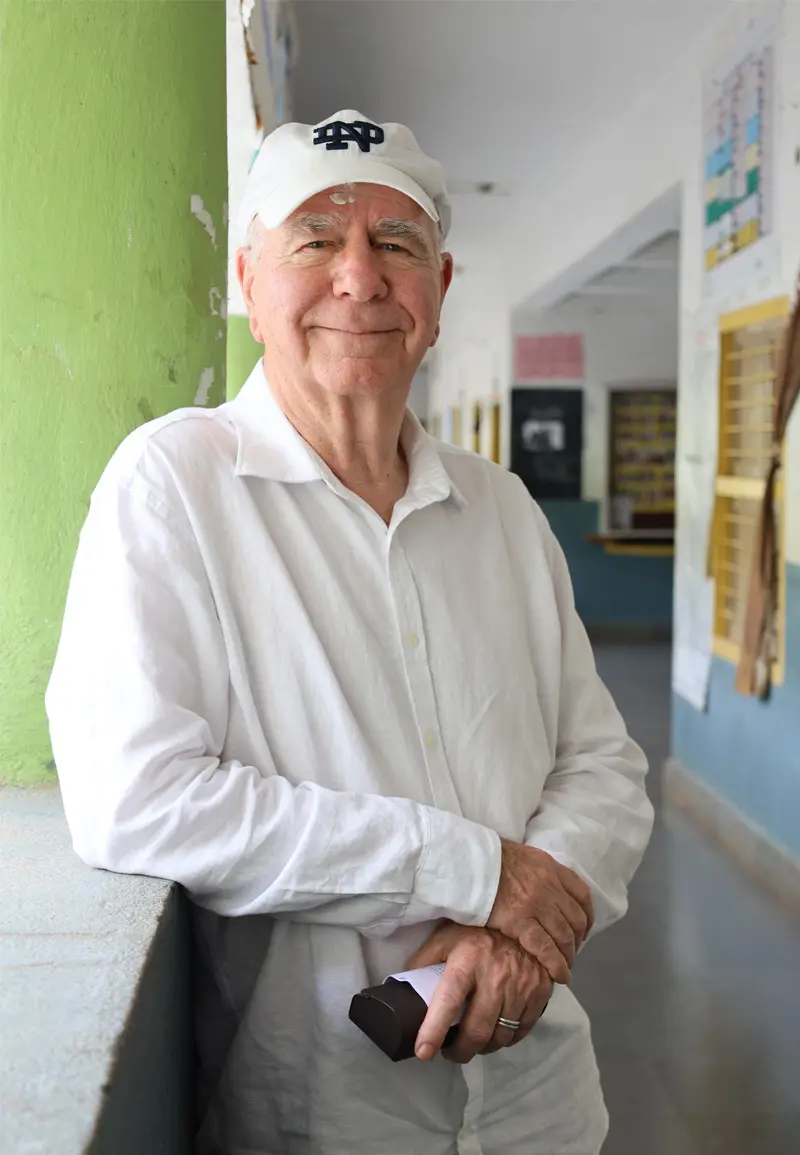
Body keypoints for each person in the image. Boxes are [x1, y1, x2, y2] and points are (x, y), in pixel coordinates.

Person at [46, 110, 655, 1155]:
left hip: (539, 1099)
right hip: (321, 1114)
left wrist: (511, 924)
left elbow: (599, 762)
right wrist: (472, 869)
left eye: (397, 243)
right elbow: (136, 798)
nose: (359, 279)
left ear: (441, 287)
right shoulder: (175, 484)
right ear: (248, 280)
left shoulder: (500, 509)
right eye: (316, 241)